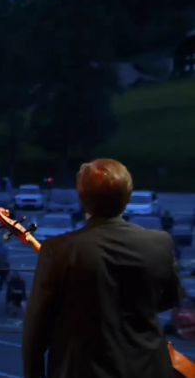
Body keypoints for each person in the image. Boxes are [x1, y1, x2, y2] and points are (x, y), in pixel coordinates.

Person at [23, 159, 179, 378]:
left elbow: (36, 328)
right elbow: (170, 298)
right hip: (149, 368)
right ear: (127, 195)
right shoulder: (160, 242)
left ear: (82, 198)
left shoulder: (58, 250)